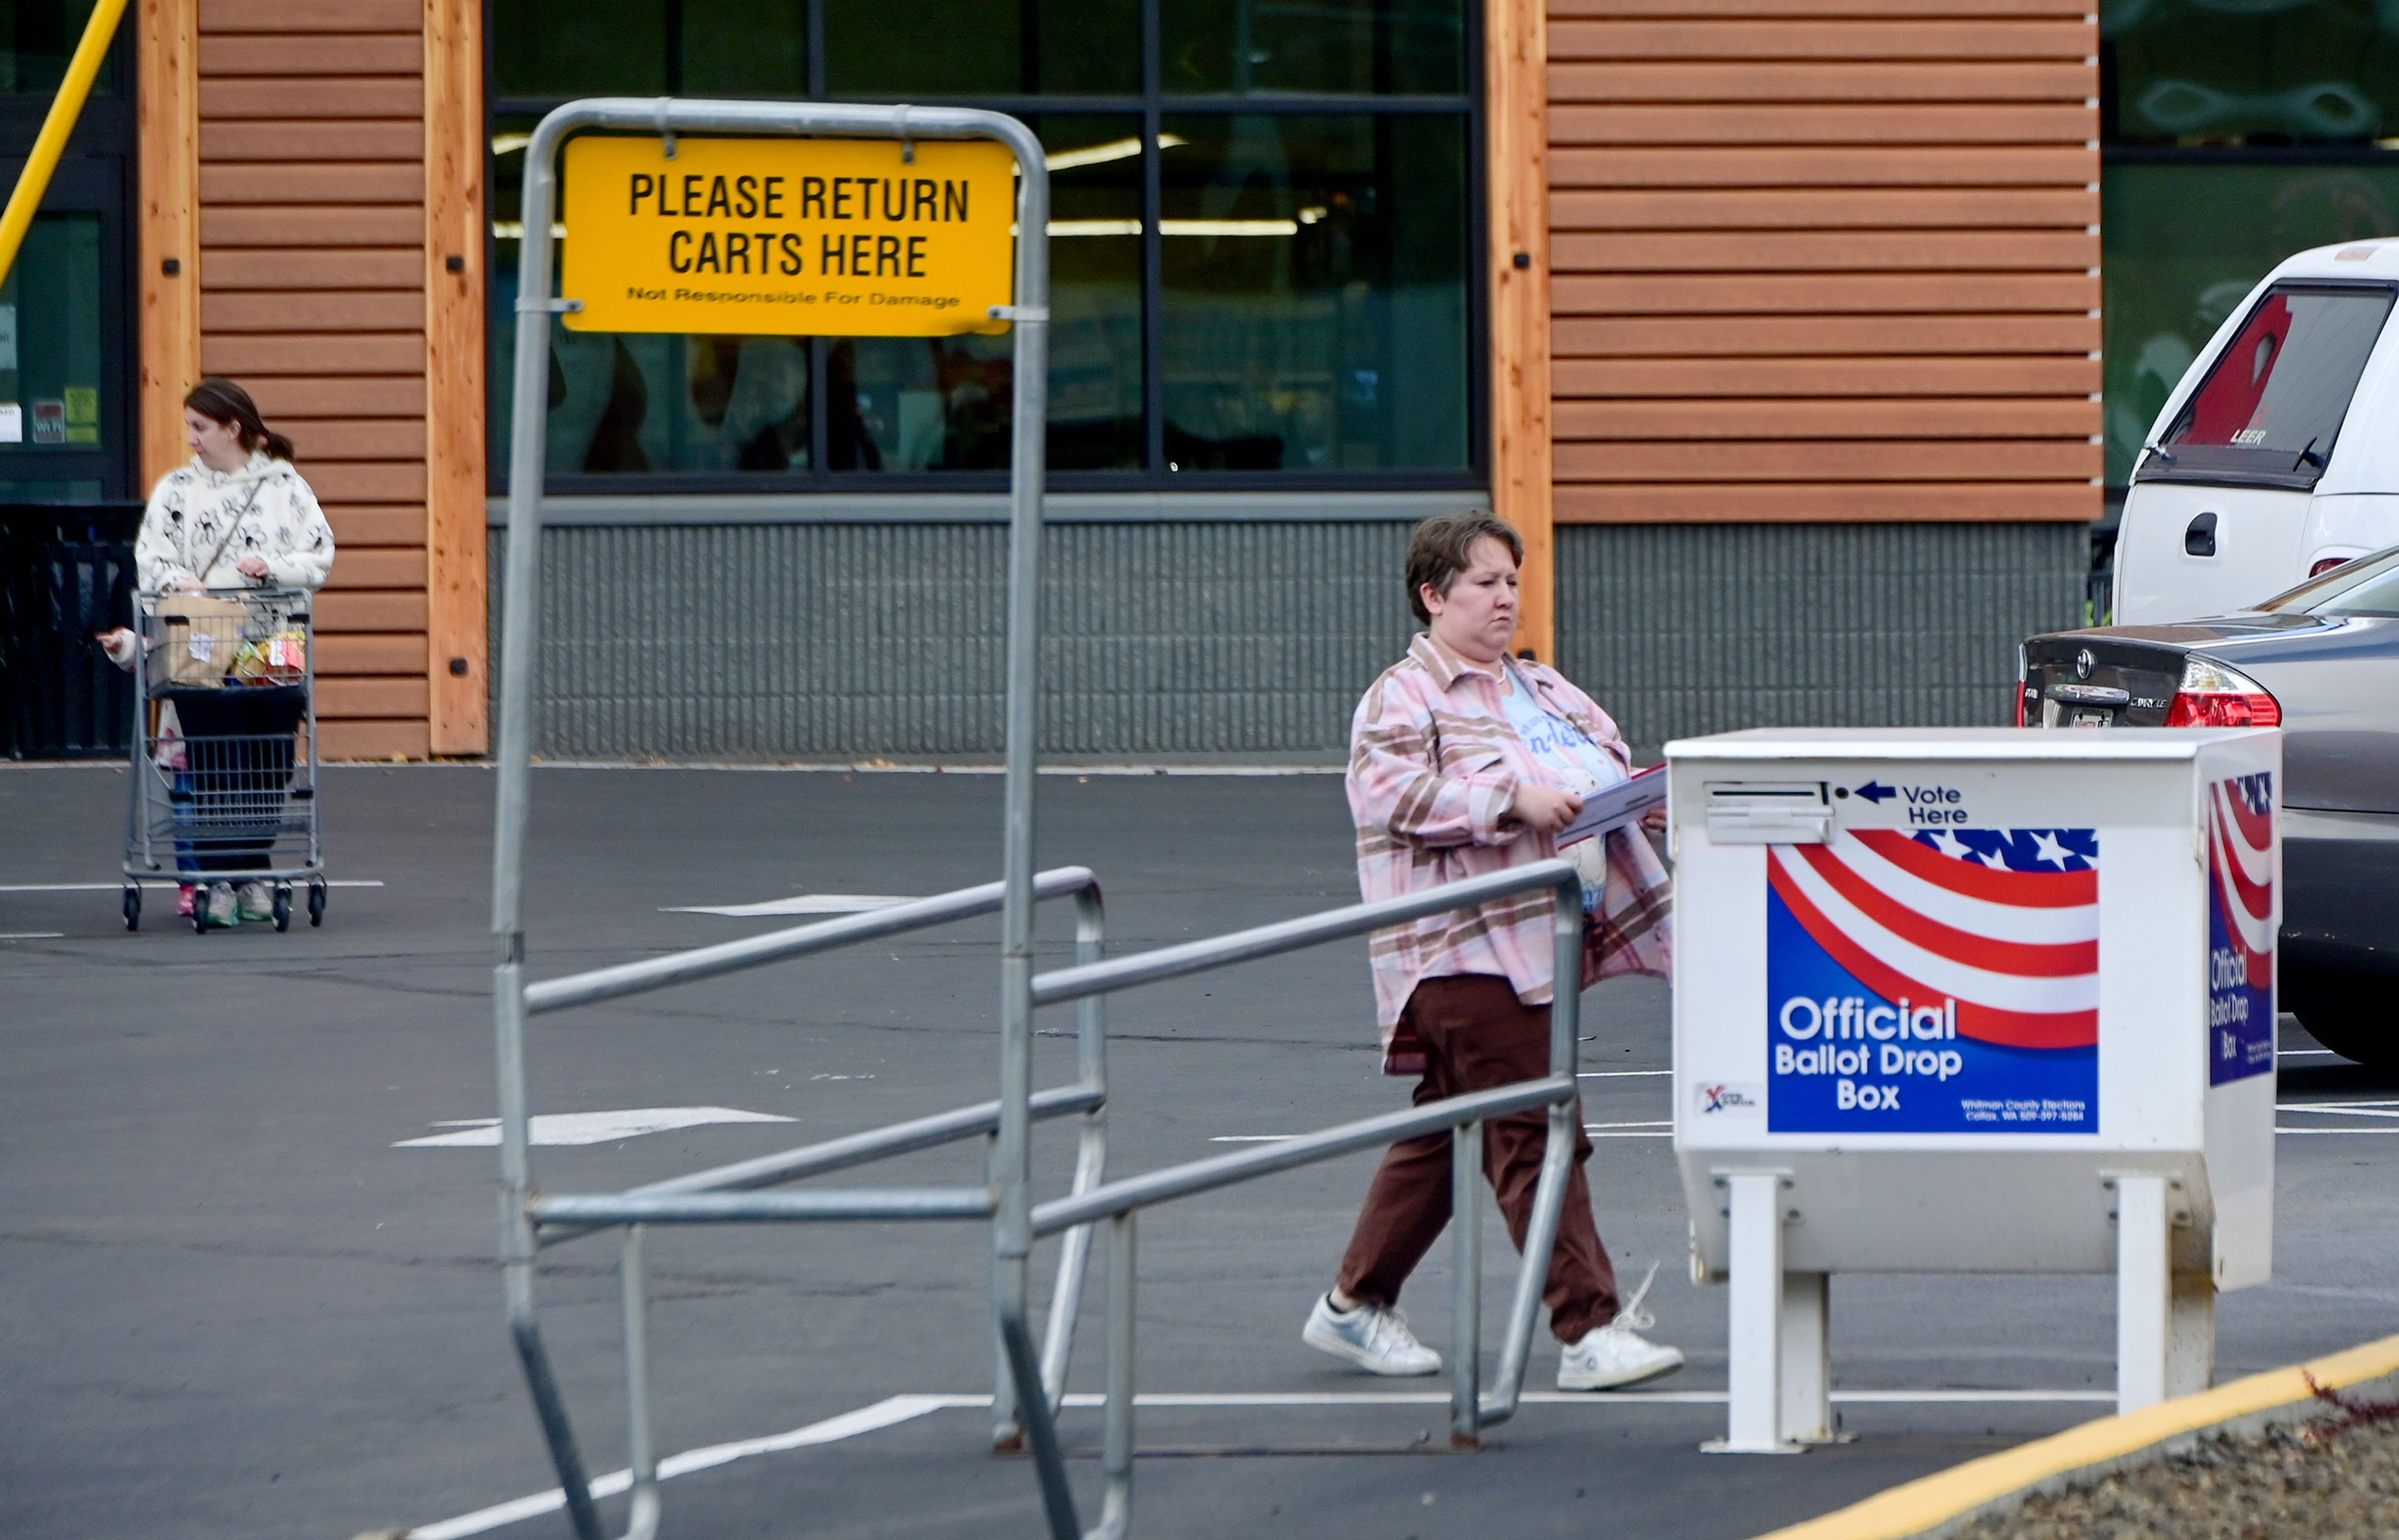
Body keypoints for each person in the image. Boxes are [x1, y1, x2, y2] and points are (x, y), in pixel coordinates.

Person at [1301, 510, 1682, 1392]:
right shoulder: (1405, 693)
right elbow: (1387, 793)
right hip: (1461, 946)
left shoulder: (1541, 688)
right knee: (1537, 1127)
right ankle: (1587, 1327)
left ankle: (1355, 1303)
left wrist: (1633, 800)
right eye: (1484, 583)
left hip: (1535, 941)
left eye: (1512, 581)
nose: (1506, 597)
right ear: (1434, 596)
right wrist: (1508, 801)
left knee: (1448, 1124)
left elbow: (1605, 763)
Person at [106, 379, 334, 927]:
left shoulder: (286, 486)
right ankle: (221, 876)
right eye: (189, 427)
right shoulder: (177, 490)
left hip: (273, 638)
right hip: (203, 639)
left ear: (234, 429)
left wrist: (274, 568)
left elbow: (320, 553)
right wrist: (180, 580)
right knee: (213, 756)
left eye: (200, 428)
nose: (192, 439)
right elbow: (150, 556)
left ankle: (252, 871)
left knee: (269, 755)